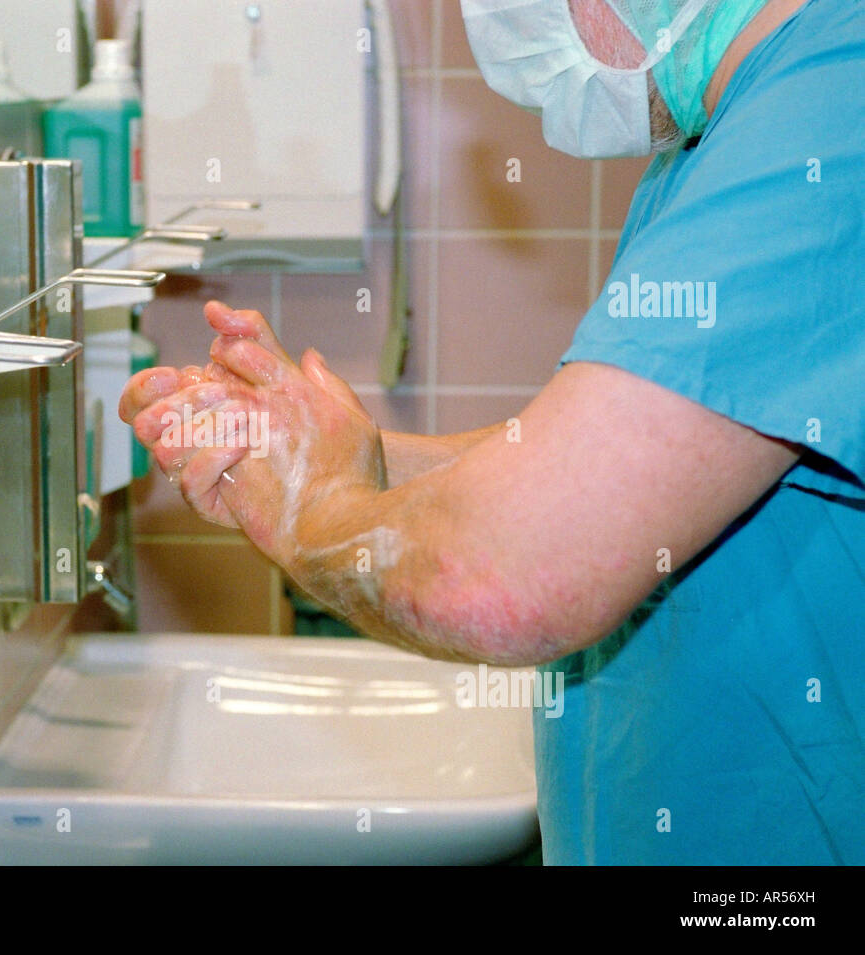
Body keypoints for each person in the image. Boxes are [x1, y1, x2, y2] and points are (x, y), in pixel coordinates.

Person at [120, 0, 864, 864]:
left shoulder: (835, 98)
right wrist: (346, 454)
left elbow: (506, 573)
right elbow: (593, 473)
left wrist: (308, 507)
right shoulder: (720, 141)